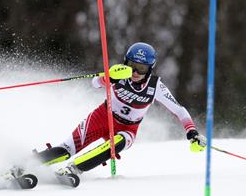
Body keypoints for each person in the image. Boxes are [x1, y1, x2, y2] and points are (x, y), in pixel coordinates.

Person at [35, 42, 206, 176]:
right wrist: (108, 78)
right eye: (132, 65)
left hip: (128, 128)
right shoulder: (118, 74)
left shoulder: (156, 87)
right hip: (102, 117)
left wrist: (191, 131)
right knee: (67, 148)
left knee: (119, 142)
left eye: (142, 68)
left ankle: (75, 168)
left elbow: (179, 110)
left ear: (150, 69)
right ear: (126, 62)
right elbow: (94, 84)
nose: (135, 72)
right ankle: (28, 163)